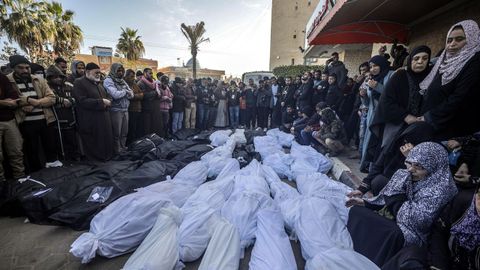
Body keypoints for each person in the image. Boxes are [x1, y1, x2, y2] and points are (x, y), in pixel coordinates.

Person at [346, 142, 458, 267]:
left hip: (413, 232)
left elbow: (417, 221)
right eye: (410, 163)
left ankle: (372, 262)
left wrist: (395, 199)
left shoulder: (441, 189)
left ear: (433, 167)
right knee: (358, 212)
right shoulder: (407, 174)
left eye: (419, 166)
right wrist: (366, 203)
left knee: (388, 232)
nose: (411, 169)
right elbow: (387, 195)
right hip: (397, 218)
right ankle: (356, 254)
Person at [419, 20, 480, 141]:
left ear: (472, 39)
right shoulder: (445, 60)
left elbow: (460, 97)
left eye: (459, 39)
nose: (452, 44)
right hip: (431, 123)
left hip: (449, 129)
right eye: (449, 40)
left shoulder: (475, 61)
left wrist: (429, 116)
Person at [350, 122, 434, 196]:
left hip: (407, 195)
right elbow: (377, 166)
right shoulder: (397, 143)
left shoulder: (428, 159)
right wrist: (361, 189)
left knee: (381, 182)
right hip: (389, 187)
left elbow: (413, 182)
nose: (407, 146)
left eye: (413, 143)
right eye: (405, 141)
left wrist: (411, 158)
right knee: (378, 181)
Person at [7, 56, 60, 172]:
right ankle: (37, 176)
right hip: (25, 122)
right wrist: (26, 101)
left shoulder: (38, 79)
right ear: (13, 68)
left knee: (50, 149)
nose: (25, 71)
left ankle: (55, 175)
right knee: (32, 151)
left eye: (27, 68)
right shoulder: (8, 81)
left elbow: (52, 98)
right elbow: (10, 100)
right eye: (20, 68)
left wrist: (36, 102)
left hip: (46, 119)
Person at [360, 55, 395, 172]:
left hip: (385, 117)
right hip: (372, 116)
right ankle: (368, 166)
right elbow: (368, 102)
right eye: (371, 66)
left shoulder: (392, 75)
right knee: (370, 142)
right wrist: (363, 95)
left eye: (375, 66)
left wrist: (378, 87)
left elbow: (394, 95)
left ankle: (376, 170)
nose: (373, 69)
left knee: (380, 143)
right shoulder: (372, 79)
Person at [72, 62, 114, 161]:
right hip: (90, 120)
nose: (98, 74)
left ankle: (106, 158)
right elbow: (82, 101)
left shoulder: (99, 83)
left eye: (99, 72)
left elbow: (107, 96)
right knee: (94, 143)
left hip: (104, 118)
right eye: (96, 73)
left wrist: (109, 100)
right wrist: (101, 102)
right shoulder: (79, 82)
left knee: (105, 140)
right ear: (87, 72)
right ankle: (97, 161)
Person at [45, 65, 79, 161]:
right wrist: (61, 101)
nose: (58, 79)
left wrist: (70, 101)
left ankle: (75, 159)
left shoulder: (69, 85)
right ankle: (64, 161)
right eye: (55, 77)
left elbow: (76, 97)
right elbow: (50, 99)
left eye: (60, 76)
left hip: (71, 119)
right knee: (60, 144)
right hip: (57, 122)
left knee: (72, 141)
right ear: (49, 78)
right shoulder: (47, 87)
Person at [103, 63, 133, 154]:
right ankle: (117, 150)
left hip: (125, 109)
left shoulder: (122, 81)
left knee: (124, 132)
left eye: (122, 71)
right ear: (113, 71)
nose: (121, 73)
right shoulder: (108, 80)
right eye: (118, 71)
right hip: (115, 110)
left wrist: (126, 92)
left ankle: (123, 147)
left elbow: (132, 94)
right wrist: (125, 92)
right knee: (117, 132)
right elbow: (115, 95)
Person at [0, 72, 25, 181]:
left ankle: (20, 181)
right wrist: (3, 102)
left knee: (16, 152)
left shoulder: (2, 77)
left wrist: (9, 102)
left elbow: (14, 97)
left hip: (9, 120)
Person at [138, 68, 161, 137]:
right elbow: (144, 95)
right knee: (146, 128)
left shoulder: (154, 83)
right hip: (146, 108)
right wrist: (155, 93)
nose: (151, 74)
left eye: (152, 73)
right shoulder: (141, 83)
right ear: (145, 73)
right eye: (150, 73)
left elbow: (158, 93)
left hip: (153, 108)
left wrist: (158, 93)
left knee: (153, 127)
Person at [124, 69, 143, 144]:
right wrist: (136, 96)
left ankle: (134, 143)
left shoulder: (134, 84)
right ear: (126, 76)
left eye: (134, 76)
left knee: (136, 128)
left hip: (137, 109)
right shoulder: (125, 84)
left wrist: (135, 95)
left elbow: (142, 94)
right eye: (131, 76)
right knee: (131, 129)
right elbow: (129, 96)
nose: (133, 78)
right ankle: (130, 144)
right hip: (131, 110)